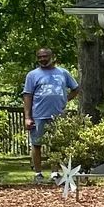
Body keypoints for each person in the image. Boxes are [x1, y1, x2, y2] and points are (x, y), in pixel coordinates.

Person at [22, 47, 79, 176]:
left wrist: (65, 99)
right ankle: (38, 173)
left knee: (56, 145)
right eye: (40, 57)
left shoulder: (63, 73)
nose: (42, 59)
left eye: (45, 56)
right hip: (38, 115)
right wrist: (27, 117)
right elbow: (27, 96)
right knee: (37, 144)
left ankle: (55, 173)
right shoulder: (32, 75)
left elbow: (76, 89)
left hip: (58, 115)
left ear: (52, 57)